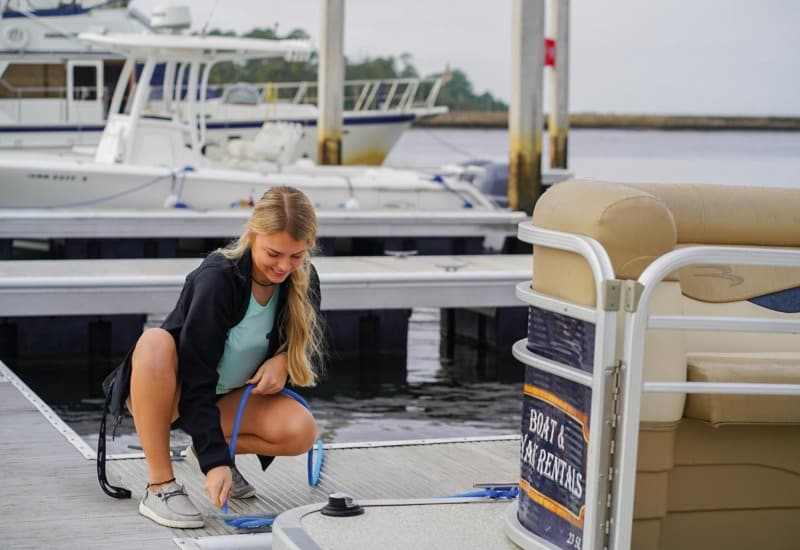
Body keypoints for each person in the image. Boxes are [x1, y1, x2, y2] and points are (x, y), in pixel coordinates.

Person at [97, 186, 325, 529]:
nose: (284, 266)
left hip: (224, 400)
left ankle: (204, 447)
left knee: (300, 431)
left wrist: (282, 363)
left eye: (296, 256)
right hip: (173, 396)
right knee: (155, 342)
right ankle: (160, 486)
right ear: (252, 235)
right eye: (274, 253)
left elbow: (301, 345)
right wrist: (217, 462)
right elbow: (194, 376)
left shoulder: (303, 279)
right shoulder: (218, 279)